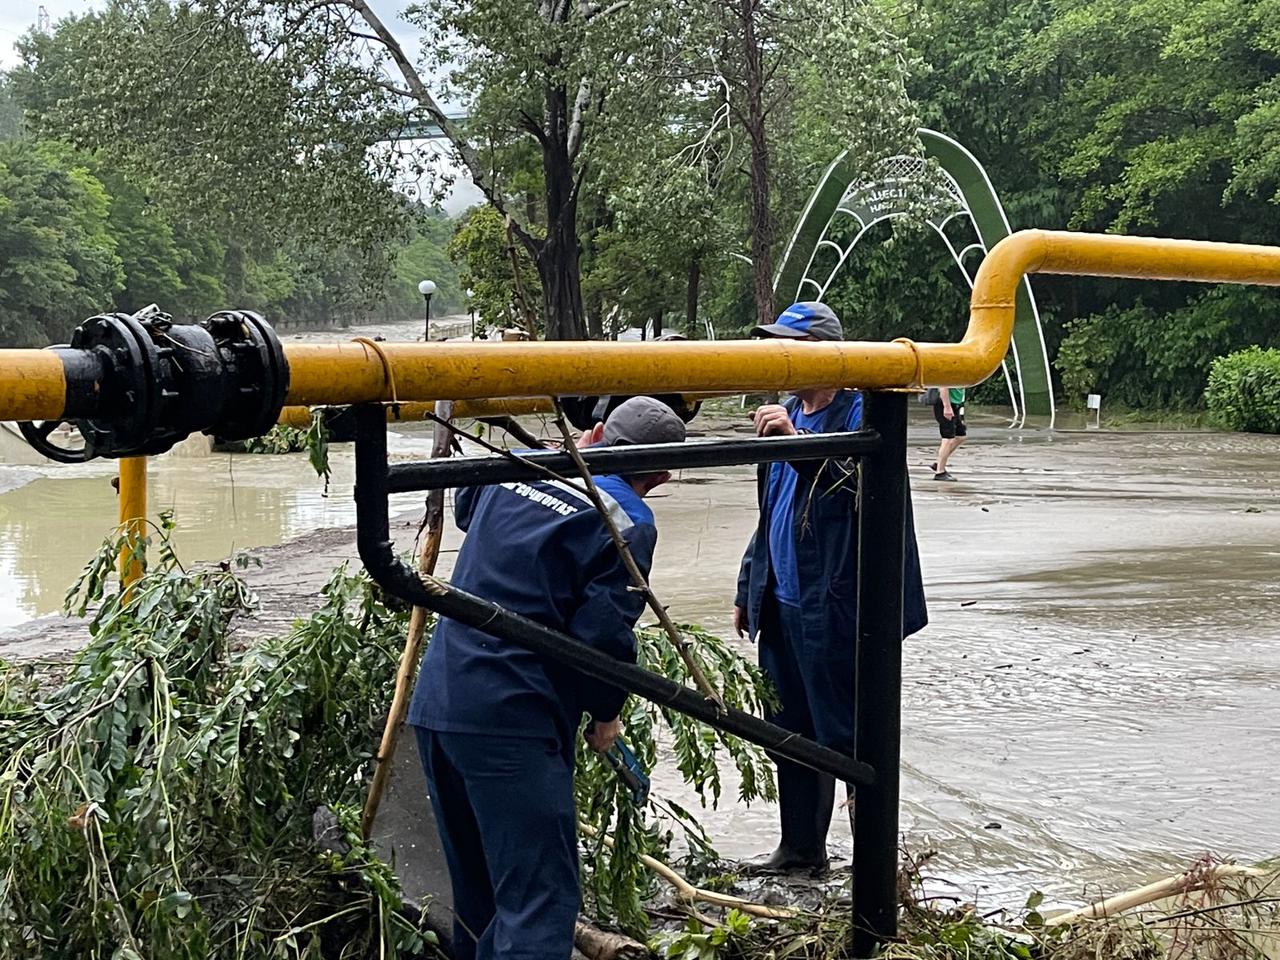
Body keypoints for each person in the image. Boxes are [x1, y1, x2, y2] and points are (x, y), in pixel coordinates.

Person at [407, 397, 687, 959]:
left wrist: (549, 460)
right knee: (538, 907)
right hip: (513, 719)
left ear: (597, 434)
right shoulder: (627, 521)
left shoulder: (517, 466)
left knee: (478, 899)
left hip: (438, 703)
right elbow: (602, 640)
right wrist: (606, 713)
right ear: (661, 474)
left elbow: (466, 505)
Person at [733, 301, 928, 875]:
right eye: (776, 345)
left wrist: (794, 442)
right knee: (788, 731)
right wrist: (751, 585)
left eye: (791, 345)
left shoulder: (866, 414)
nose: (780, 357)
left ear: (830, 354)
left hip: (841, 605)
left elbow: (854, 492)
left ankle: (875, 867)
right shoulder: (787, 410)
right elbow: (772, 511)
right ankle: (800, 850)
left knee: (850, 738)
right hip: (787, 603)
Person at [932, 386, 967, 481]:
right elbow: (943, 387)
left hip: (955, 405)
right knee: (947, 438)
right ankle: (940, 472)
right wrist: (947, 407)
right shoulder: (948, 372)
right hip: (945, 405)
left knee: (961, 436)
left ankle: (938, 463)